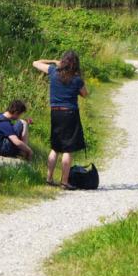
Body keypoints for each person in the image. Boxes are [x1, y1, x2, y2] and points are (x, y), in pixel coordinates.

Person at [33, 51, 88, 190]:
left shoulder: (53, 71)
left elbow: (35, 63)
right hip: (70, 113)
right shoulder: (76, 79)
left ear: (63, 61)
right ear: (75, 64)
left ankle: (49, 178)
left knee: (55, 147)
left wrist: (53, 61)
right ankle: (64, 182)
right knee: (68, 149)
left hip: (55, 113)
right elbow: (85, 94)